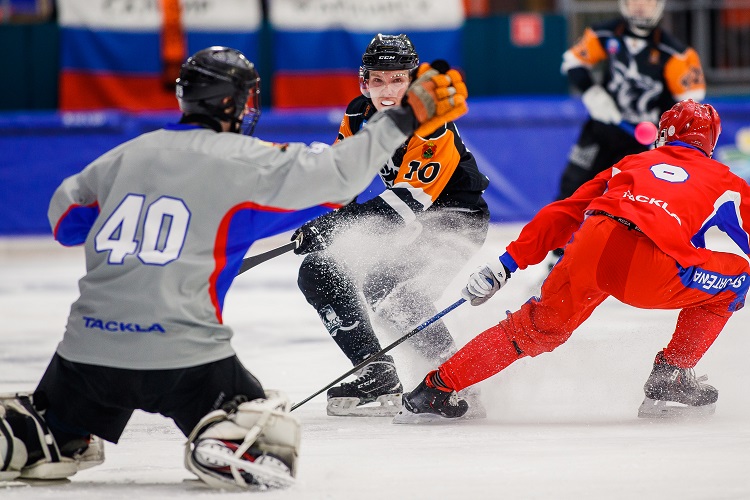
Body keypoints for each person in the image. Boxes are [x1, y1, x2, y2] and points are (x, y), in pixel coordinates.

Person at [0, 46, 469, 487]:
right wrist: (405, 117)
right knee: (266, 434)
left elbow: (64, 220)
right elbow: (339, 177)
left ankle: (51, 433)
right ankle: (228, 439)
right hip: (184, 358)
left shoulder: (126, 154)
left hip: (85, 356)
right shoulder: (248, 162)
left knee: (56, 418)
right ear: (239, 104)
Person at [396, 100, 750, 423]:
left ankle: (434, 389)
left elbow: (564, 212)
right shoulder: (726, 181)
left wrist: (505, 264)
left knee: (530, 329)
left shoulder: (630, 163)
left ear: (664, 134)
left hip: (590, 247)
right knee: (737, 277)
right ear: (710, 143)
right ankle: (672, 374)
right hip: (649, 264)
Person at [291, 34, 491, 417]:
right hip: (404, 221)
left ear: (414, 81)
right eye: (378, 80)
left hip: (455, 220)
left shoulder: (433, 125)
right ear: (364, 83)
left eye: (398, 79)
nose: (387, 91)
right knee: (318, 271)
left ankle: (457, 380)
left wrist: (336, 226)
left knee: (391, 288)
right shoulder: (356, 114)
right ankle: (376, 374)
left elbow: (405, 204)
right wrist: (325, 221)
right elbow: (343, 180)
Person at [547, 0, 707, 266]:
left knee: (636, 203)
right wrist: (592, 92)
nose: (639, 8)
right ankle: (557, 258)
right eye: (634, 1)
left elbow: (691, 102)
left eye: (646, 2)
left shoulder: (677, 53)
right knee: (572, 188)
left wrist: (663, 137)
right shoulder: (604, 34)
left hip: (643, 144)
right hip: (600, 132)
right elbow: (572, 61)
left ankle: (629, 263)